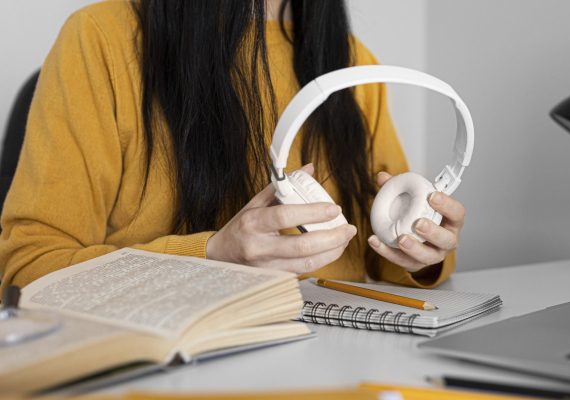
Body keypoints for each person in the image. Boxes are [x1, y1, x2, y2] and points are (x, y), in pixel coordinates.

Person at [0, 0, 466, 290]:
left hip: (335, 363)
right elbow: (29, 268)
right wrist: (213, 255)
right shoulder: (101, 39)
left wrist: (420, 252)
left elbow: (383, 261)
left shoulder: (353, 64)